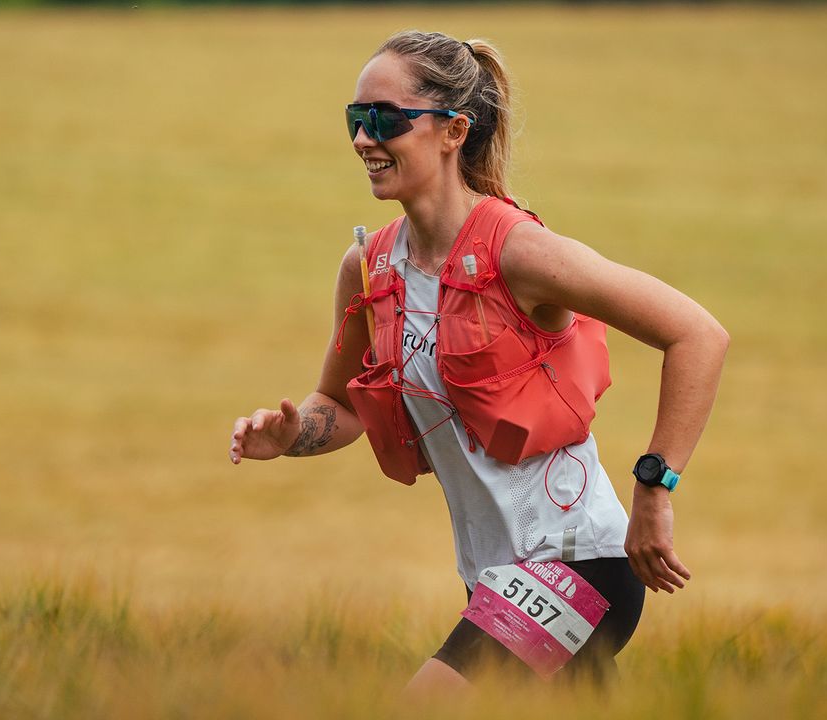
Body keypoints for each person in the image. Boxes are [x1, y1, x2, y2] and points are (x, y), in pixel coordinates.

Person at [228, 30, 728, 692]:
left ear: (453, 130)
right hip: (492, 577)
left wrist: (653, 490)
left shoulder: (521, 253)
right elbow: (342, 404)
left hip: (582, 560)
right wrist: (292, 435)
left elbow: (697, 334)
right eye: (355, 120)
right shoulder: (369, 267)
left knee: (428, 703)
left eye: (384, 119)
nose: (362, 140)